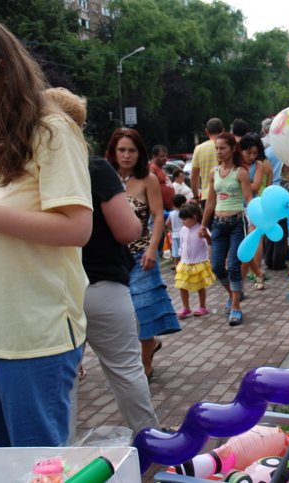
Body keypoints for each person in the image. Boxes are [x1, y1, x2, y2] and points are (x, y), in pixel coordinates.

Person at [0, 20, 93, 446]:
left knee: (36, 469)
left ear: (1, 70)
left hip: (34, 339)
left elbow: (77, 227)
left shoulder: (51, 129)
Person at [44, 87, 160, 434]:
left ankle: (60, 457)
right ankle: (150, 442)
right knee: (125, 368)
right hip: (102, 286)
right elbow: (127, 231)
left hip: (53, 290)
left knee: (64, 377)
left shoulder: (31, 168)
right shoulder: (94, 168)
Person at [105, 128, 181, 381]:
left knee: (142, 309)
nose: (126, 155)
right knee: (118, 312)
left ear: (140, 153)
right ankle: (147, 345)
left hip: (141, 255)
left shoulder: (148, 179)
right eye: (121, 150)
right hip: (111, 257)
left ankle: (145, 360)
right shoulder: (105, 177)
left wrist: (152, 249)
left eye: (132, 150)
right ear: (113, 152)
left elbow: (159, 215)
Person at [200, 132, 255, 326]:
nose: (219, 152)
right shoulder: (213, 173)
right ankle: (234, 296)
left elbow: (249, 200)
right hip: (218, 225)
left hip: (236, 224)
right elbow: (210, 202)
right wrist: (203, 225)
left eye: (222, 148)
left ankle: (236, 308)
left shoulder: (241, 172)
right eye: (217, 148)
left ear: (232, 149)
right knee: (216, 266)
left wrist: (253, 222)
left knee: (233, 266)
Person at [175, 202, 216, 318]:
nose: (183, 221)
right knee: (181, 286)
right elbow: (182, 245)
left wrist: (206, 236)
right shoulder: (182, 230)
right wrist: (179, 257)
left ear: (194, 217)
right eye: (182, 219)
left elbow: (211, 242)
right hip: (185, 262)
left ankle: (202, 306)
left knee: (200, 286)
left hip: (199, 262)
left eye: (185, 219)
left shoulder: (202, 229)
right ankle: (186, 308)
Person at [240, 134, 269, 290]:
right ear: (241, 151)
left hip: (253, 207)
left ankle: (257, 274)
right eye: (248, 153)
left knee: (255, 239)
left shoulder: (258, 165)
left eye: (255, 153)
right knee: (242, 243)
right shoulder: (235, 164)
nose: (252, 156)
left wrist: (240, 183)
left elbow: (256, 186)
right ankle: (252, 275)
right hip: (236, 208)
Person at [191, 118, 225, 208]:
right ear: (223, 131)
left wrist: (195, 196)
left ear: (207, 131)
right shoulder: (227, 147)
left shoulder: (199, 149)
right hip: (225, 196)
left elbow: (194, 175)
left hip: (206, 196)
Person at [149, 144, 175, 211]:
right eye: (162, 156)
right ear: (154, 156)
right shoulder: (152, 169)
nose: (165, 158)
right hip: (161, 209)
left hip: (168, 208)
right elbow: (152, 190)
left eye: (166, 156)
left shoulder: (160, 168)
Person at [166, 194, 187, 269]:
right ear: (183, 204)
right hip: (184, 234)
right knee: (184, 249)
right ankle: (184, 263)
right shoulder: (184, 213)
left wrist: (172, 229)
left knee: (175, 250)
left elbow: (167, 224)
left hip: (175, 235)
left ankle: (175, 264)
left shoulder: (171, 213)